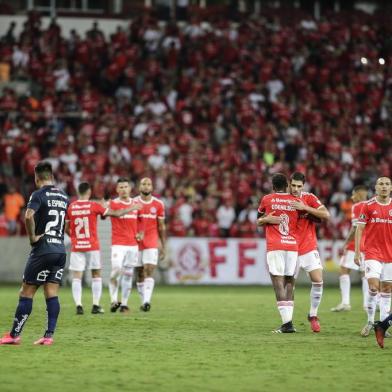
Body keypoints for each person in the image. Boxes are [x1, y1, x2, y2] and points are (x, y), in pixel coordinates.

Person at [0, 161, 69, 346]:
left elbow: (28, 215)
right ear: (52, 176)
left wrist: (32, 237)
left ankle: (14, 335)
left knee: (26, 291)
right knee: (51, 292)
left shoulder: (38, 194)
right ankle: (48, 336)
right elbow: (66, 223)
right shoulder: (63, 196)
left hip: (43, 249)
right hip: (60, 250)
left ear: (37, 177)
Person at [65, 182, 141, 315]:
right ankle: (95, 305)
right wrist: (132, 207)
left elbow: (66, 228)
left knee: (77, 276)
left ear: (78, 192)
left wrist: (74, 238)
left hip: (77, 246)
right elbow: (116, 214)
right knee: (96, 275)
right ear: (89, 192)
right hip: (92, 246)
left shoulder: (71, 207)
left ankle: (79, 305)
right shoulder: (94, 206)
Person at [257, 173, 300, 333]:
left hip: (275, 245)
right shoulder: (296, 201)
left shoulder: (267, 199)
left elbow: (259, 220)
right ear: (288, 185)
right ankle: (289, 322)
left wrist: (266, 219)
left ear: (273, 186)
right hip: (292, 245)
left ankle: (287, 324)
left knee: (278, 282)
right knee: (289, 282)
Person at [289, 172, 330, 332]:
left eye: (299, 186)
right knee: (288, 286)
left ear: (303, 186)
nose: (296, 189)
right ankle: (288, 320)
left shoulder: (309, 198)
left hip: (308, 246)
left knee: (318, 280)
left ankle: (313, 315)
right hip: (289, 248)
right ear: (289, 184)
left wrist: (305, 208)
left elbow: (326, 214)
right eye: (293, 185)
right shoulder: (282, 200)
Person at [355, 176, 392, 337]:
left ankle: (382, 326)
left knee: (387, 290)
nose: (384, 186)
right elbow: (359, 229)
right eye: (381, 184)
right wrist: (357, 252)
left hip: (390, 255)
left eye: (387, 184)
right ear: (376, 188)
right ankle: (370, 321)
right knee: (373, 287)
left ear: (391, 188)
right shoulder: (368, 206)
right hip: (372, 253)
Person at [331, 185, 368, 312]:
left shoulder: (357, 206)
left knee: (343, 271)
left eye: (353, 194)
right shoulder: (373, 205)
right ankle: (367, 304)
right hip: (369, 245)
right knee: (365, 274)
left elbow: (355, 228)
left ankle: (345, 303)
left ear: (359, 193)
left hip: (355, 244)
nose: (352, 198)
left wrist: (346, 243)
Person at [109, 178, 142, 313]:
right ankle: (113, 300)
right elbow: (116, 213)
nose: (123, 189)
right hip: (118, 244)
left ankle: (124, 304)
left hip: (133, 245)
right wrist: (131, 208)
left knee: (128, 275)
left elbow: (141, 222)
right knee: (116, 269)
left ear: (130, 188)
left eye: (125, 187)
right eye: (120, 187)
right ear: (117, 190)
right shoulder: (113, 204)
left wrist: (141, 233)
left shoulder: (137, 204)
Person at [134, 177, 166, 312]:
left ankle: (147, 301)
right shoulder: (134, 202)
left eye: (148, 184)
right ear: (139, 187)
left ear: (152, 187)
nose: (146, 186)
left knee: (149, 269)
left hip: (152, 242)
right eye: (143, 184)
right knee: (140, 272)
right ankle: (143, 301)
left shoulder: (158, 204)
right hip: (136, 243)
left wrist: (163, 245)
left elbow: (161, 227)